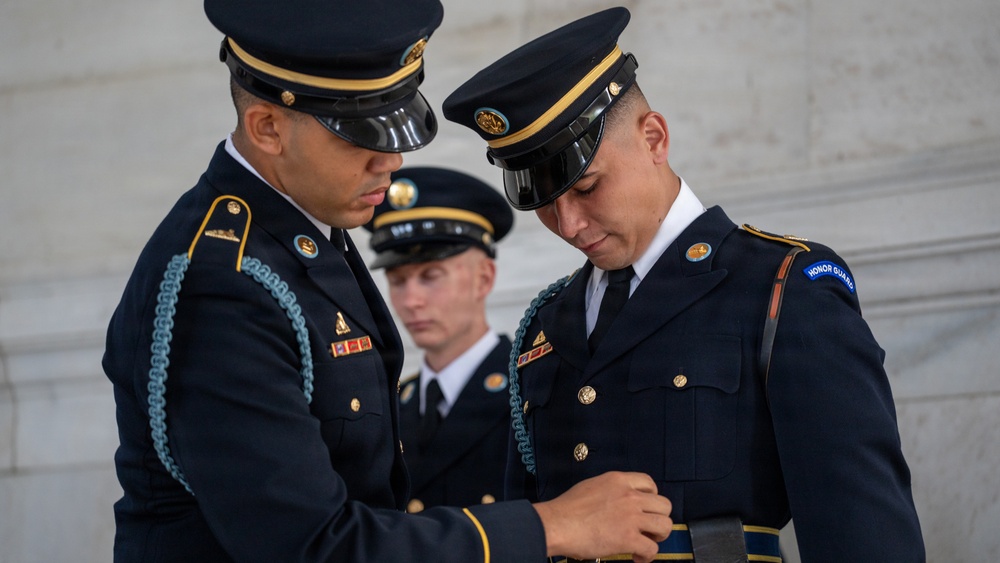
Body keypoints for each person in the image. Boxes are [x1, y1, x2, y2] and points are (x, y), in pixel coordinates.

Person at [102, 1, 674, 561]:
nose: (391, 161)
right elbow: (309, 546)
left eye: (394, 128)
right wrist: (551, 526)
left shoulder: (298, 235)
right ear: (268, 128)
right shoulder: (224, 281)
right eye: (360, 136)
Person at [443, 6, 925, 562]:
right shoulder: (546, 325)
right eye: (546, 206)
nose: (568, 225)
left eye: (587, 187)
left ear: (653, 138)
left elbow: (863, 530)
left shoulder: (781, 288)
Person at [364, 167, 515, 513]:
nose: (411, 299)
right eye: (398, 280)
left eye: (431, 276)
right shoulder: (390, 406)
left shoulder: (531, 394)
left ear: (484, 279)